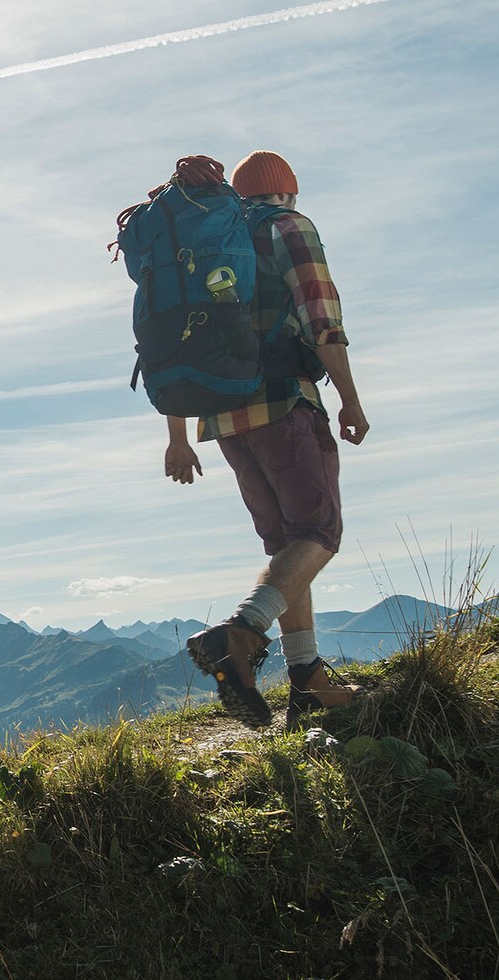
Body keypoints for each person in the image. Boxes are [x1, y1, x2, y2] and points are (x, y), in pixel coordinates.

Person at [166, 150, 369, 729]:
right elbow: (322, 319)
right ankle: (242, 631)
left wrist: (177, 437)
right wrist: (350, 399)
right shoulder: (288, 227)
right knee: (318, 533)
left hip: (221, 418)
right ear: (288, 192)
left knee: (285, 544)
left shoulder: (203, 245)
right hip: (282, 402)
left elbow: (174, 343)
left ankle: (306, 680)